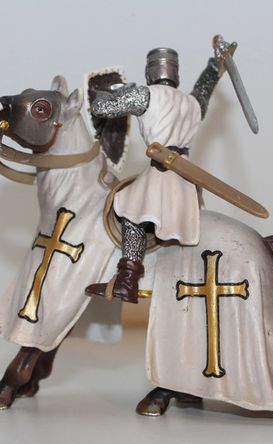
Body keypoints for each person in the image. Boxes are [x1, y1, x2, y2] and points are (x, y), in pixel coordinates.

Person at [85, 45, 225, 302]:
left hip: (162, 171)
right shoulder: (192, 103)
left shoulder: (145, 94)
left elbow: (102, 108)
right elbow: (203, 90)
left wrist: (111, 91)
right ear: (175, 73)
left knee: (130, 211)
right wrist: (215, 67)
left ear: (150, 72)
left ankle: (127, 281)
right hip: (186, 177)